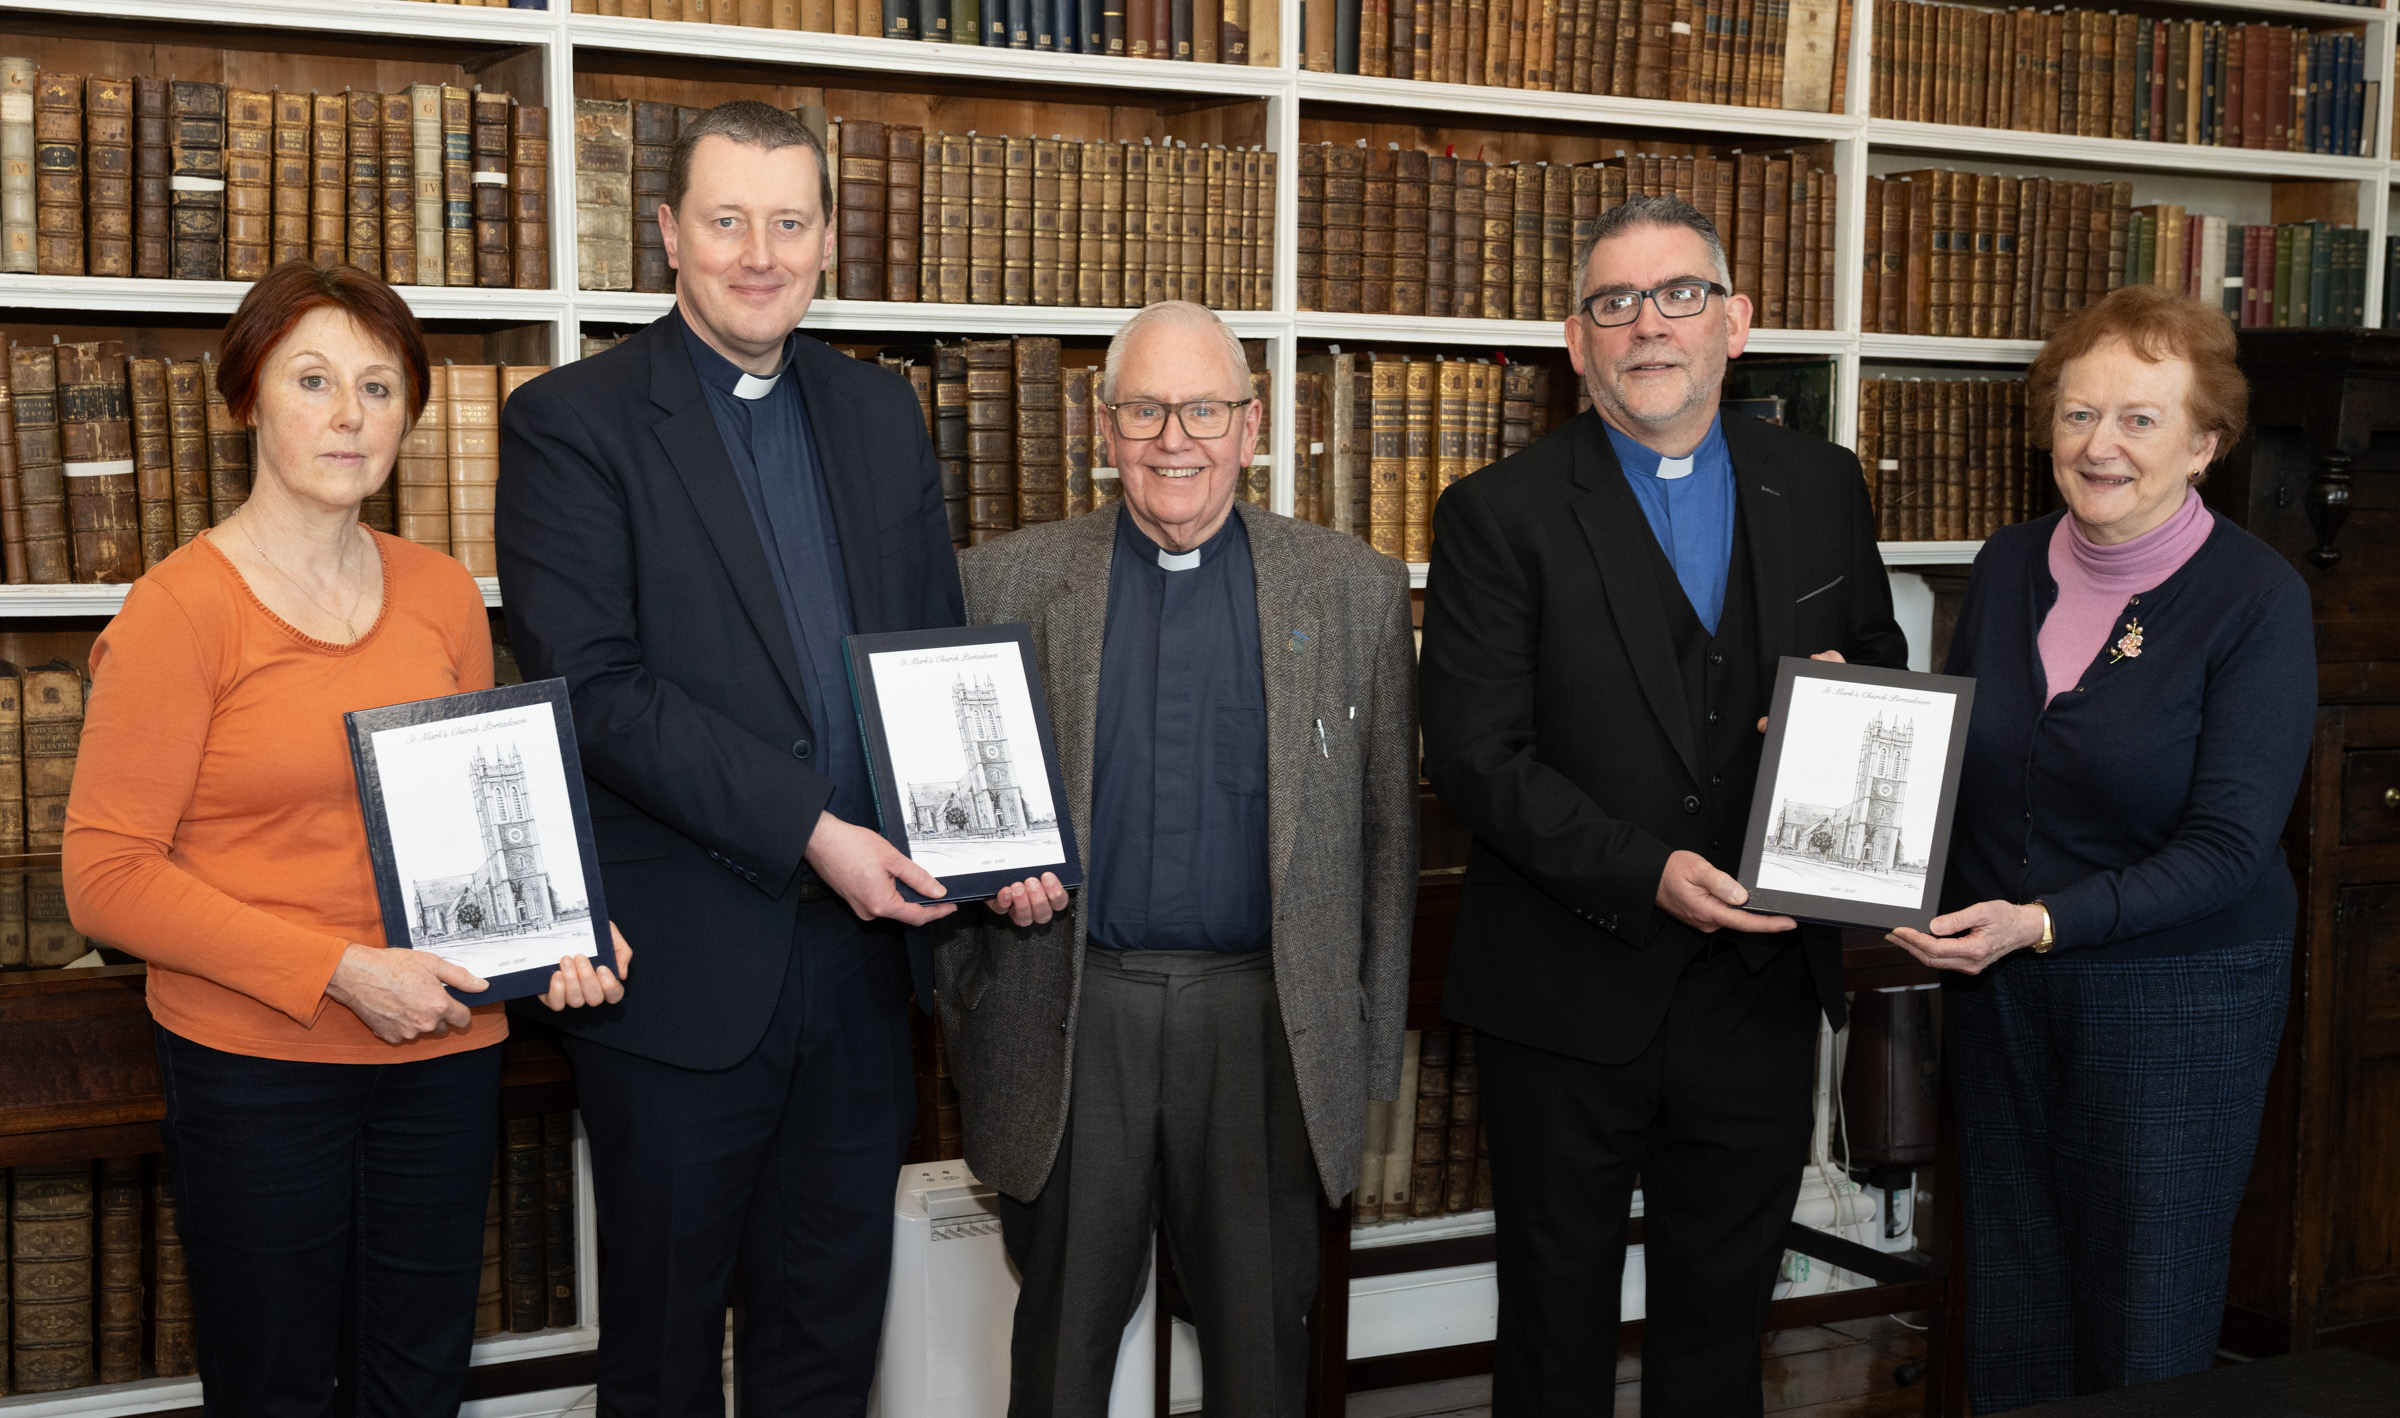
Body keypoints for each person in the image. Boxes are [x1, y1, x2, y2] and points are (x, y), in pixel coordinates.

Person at [62, 258, 627, 1418]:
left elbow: (474, 818)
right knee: (276, 1386)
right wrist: (339, 970)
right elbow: (106, 878)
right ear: (245, 401)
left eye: (379, 387)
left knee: (418, 1377)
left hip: (444, 1053)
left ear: (410, 417)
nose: (348, 414)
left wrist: (553, 928)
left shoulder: (440, 595)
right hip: (258, 1064)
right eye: (312, 380)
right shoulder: (179, 609)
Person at [494, 101, 964, 1415]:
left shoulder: (880, 413)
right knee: (660, 1356)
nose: (760, 253)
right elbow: (596, 688)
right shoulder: (568, 423)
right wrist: (813, 826)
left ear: (826, 238)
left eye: (790, 222)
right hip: (682, 978)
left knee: (827, 1340)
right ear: (668, 236)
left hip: (867, 976)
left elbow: (926, 660)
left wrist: (992, 846)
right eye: (726, 220)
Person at [1418, 195, 1908, 1416]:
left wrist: (1861, 693)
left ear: (1735, 322)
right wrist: (1646, 869)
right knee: (1553, 1321)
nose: (1650, 325)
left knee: (1723, 1320)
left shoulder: (1825, 483)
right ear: (1575, 342)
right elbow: (1475, 753)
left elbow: (1880, 662)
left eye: (1680, 293)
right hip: (1565, 990)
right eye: (1614, 302)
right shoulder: (1496, 511)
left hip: (1761, 984)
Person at [941, 300, 1418, 1418]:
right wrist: (970, 953)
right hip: (1070, 1008)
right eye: (1146, 409)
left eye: (1202, 408)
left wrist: (1367, 1055)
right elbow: (952, 813)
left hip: (1265, 1024)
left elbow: (1390, 842)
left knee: (1260, 1348)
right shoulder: (998, 581)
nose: (1174, 439)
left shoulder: (1352, 590)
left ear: (1251, 425)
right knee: (1060, 1346)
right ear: (1103, 430)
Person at [1888, 284, 2316, 1410]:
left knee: (2145, 1308)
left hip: (2179, 993)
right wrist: (1853, 732)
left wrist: (2043, 920)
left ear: (2205, 443)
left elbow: (2230, 843)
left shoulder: (2256, 600)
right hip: (2002, 985)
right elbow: (1972, 762)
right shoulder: (2008, 562)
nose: (2101, 445)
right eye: (2079, 415)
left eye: (2140, 418)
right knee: (2015, 1293)